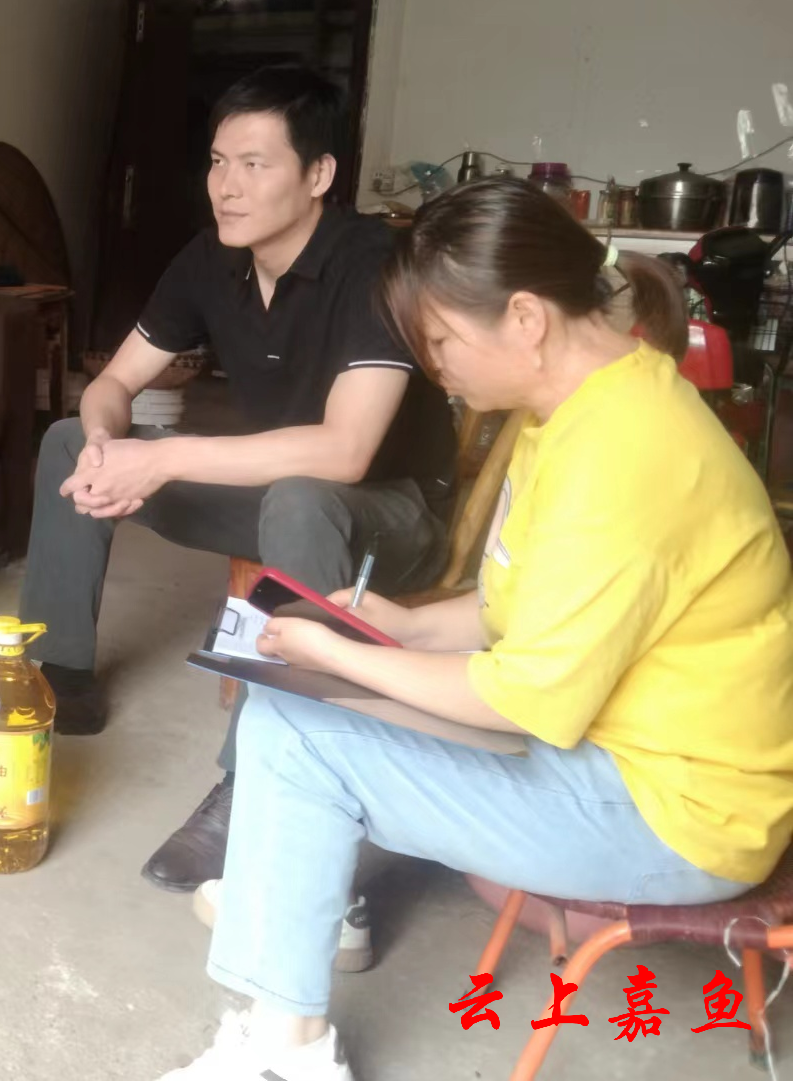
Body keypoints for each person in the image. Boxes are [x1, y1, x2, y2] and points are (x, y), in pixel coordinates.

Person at [157, 177, 793, 1081]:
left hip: (678, 812)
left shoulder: (626, 453)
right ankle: (292, 947)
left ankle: (289, 1049)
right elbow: (514, 605)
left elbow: (519, 699)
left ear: (526, 318)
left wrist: (340, 655)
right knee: (291, 712)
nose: (433, 365)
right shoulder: (578, 410)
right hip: (621, 752)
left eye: (441, 340)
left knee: (299, 736)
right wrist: (402, 627)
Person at [18, 66, 456, 891]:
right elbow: (112, 383)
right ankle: (57, 676)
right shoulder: (209, 259)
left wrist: (165, 457)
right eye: (219, 162)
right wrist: (108, 448)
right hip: (275, 492)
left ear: (318, 174)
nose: (226, 186)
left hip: (392, 514)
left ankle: (253, 779)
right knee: (68, 438)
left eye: (255, 164)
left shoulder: (375, 265)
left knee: (302, 500)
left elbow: (345, 452)